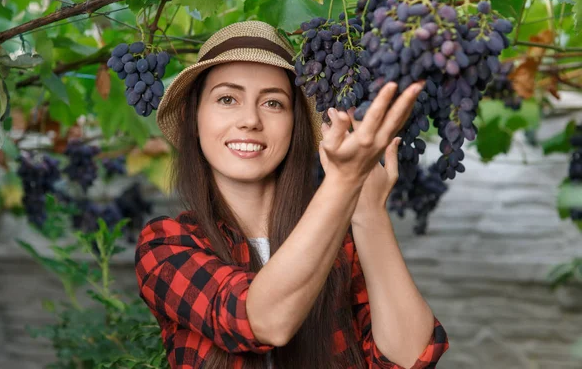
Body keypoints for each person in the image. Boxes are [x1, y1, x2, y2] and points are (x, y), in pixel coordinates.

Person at [135, 21, 449, 369]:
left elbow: (411, 359)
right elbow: (263, 321)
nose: (250, 120)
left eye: (273, 103)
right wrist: (343, 184)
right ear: (193, 119)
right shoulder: (165, 244)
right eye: (227, 99)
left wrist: (368, 210)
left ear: (295, 125)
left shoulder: (341, 245)